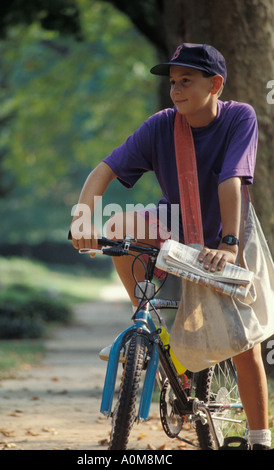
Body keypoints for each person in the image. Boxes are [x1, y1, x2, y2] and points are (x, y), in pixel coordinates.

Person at [70, 43, 271, 450]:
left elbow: (231, 180)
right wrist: (82, 221)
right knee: (121, 227)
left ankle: (259, 437)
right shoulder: (161, 125)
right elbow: (103, 171)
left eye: (186, 81)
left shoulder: (239, 118)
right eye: (172, 82)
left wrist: (229, 246)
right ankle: (150, 326)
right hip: (176, 229)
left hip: (230, 231)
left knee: (241, 340)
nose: (175, 89)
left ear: (215, 84)